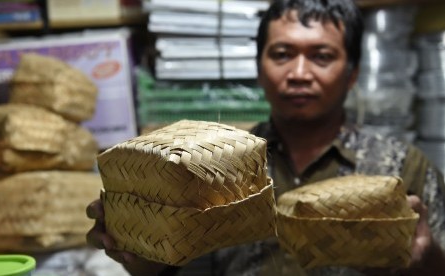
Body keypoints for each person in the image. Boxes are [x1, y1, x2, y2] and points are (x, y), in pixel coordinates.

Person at [86, 0, 445, 275]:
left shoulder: (403, 169)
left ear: (352, 75)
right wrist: (145, 261)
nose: (299, 73)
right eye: (282, 55)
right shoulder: (209, 171)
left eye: (322, 56)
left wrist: (427, 262)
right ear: (259, 68)